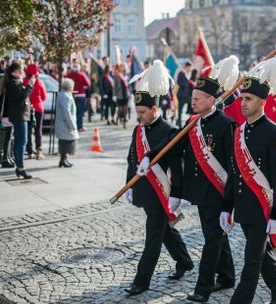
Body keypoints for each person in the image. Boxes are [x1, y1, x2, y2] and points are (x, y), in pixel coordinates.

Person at [140, 74, 238, 303]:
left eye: (199, 98)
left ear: (212, 100)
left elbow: (234, 166)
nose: (193, 101)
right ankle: (227, 276)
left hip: (218, 191)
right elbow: (173, 142)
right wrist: (149, 156)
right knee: (216, 235)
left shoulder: (226, 125)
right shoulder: (193, 122)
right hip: (201, 192)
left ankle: (202, 288)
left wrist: (228, 204)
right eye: (192, 97)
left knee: (212, 239)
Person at [221, 55, 276, 304]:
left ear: (262, 101)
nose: (243, 103)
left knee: (251, 263)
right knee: (261, 257)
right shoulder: (239, 132)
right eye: (242, 98)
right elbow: (234, 172)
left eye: (248, 99)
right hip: (244, 207)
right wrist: (226, 206)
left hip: (264, 208)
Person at [124, 61, 193, 296]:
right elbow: (131, 159)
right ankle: (184, 261)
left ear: (155, 109)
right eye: (137, 112)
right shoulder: (138, 130)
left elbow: (177, 168)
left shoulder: (169, 131)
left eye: (142, 112)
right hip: (144, 191)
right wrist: (128, 186)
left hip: (160, 195)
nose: (139, 117)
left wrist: (176, 195)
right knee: (165, 232)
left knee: (152, 238)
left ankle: (141, 281)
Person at [4, 61, 35, 179]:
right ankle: (21, 168)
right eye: (22, 69)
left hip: (20, 115)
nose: (23, 71)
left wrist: (28, 86)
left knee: (19, 141)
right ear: (16, 71)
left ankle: (19, 167)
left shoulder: (15, 81)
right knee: (22, 142)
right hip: (19, 116)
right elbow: (22, 96)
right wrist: (30, 85)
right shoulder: (12, 83)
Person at [23, 64, 47, 160]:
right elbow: (44, 96)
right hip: (38, 108)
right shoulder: (39, 82)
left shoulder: (23, 82)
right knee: (38, 129)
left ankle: (29, 151)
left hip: (27, 108)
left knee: (28, 130)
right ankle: (39, 150)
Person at [54, 78, 79, 168]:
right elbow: (66, 112)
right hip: (65, 125)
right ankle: (63, 160)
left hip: (63, 124)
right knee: (65, 143)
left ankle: (64, 159)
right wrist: (71, 125)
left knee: (64, 142)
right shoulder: (65, 96)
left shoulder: (63, 95)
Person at [66, 63, 91, 131]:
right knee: (80, 112)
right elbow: (88, 84)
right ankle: (79, 127)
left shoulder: (69, 75)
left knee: (72, 112)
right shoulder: (81, 75)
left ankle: (73, 126)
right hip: (81, 95)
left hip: (71, 94)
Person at [113, 63, 129, 128]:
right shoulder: (117, 76)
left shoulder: (127, 75)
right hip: (119, 94)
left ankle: (124, 123)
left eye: (123, 67)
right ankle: (117, 118)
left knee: (125, 108)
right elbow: (115, 86)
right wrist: (114, 95)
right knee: (120, 109)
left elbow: (129, 84)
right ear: (119, 68)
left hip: (126, 93)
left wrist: (130, 92)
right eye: (121, 67)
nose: (122, 68)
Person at [176, 62, 192, 127]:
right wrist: (186, 84)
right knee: (180, 109)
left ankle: (190, 121)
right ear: (186, 66)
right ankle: (179, 122)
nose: (190, 69)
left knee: (191, 107)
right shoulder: (181, 73)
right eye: (189, 67)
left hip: (187, 95)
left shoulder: (189, 74)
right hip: (181, 94)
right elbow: (178, 82)